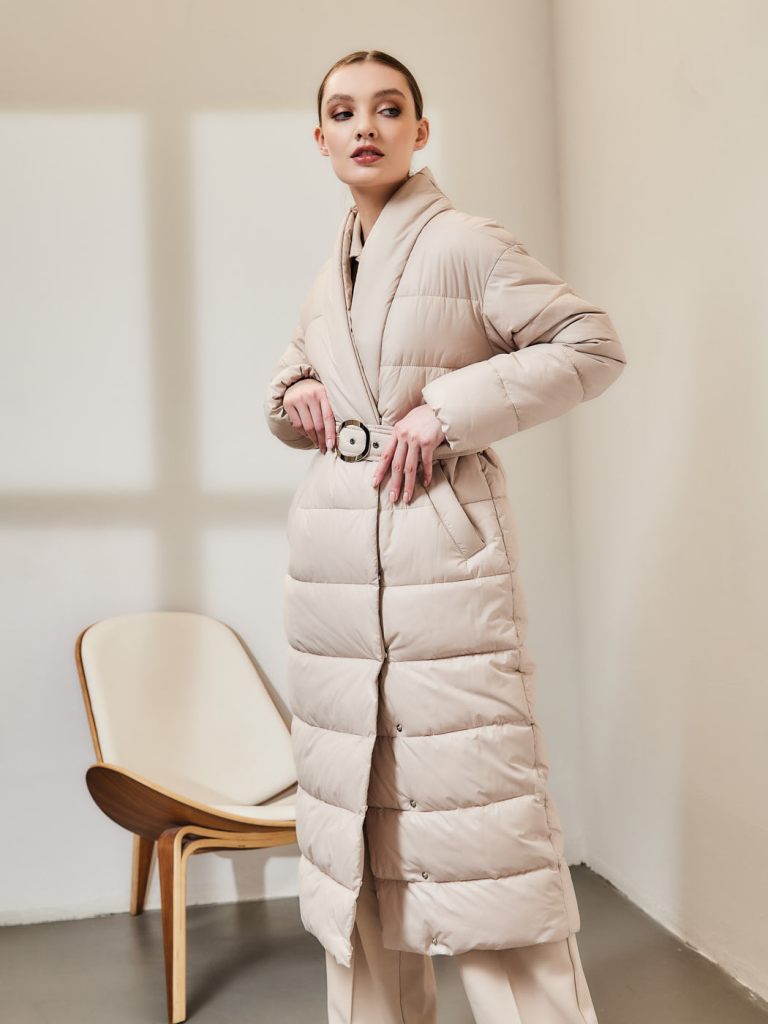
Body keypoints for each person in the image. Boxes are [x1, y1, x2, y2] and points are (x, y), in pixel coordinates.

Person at [264, 49, 626, 1024]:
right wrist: (296, 394)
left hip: (440, 578)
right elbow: (292, 387)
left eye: (389, 109)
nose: (366, 126)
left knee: (482, 848)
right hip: (337, 588)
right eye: (345, 112)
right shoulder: (330, 273)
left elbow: (591, 345)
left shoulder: (467, 243)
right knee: (359, 855)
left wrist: (448, 412)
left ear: (420, 131)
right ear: (321, 138)